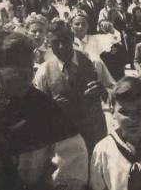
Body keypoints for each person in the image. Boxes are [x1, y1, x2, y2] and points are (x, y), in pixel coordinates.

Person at [0, 32, 89, 190]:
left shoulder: (43, 107)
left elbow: (74, 157)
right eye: (18, 70)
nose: (27, 77)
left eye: (30, 69)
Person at [34, 20, 108, 158]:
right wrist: (52, 106)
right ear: (49, 43)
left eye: (65, 40)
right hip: (65, 143)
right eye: (55, 43)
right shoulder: (44, 71)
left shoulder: (93, 61)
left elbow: (114, 94)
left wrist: (103, 91)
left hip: (96, 135)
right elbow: (38, 112)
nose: (61, 46)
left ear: (72, 38)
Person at [90, 76, 141, 190]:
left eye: (139, 111)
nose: (132, 119)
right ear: (112, 110)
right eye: (124, 112)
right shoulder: (102, 150)